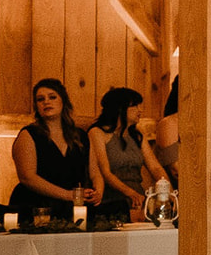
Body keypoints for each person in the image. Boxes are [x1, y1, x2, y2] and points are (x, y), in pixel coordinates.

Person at [9, 78, 96, 220]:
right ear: (36, 106)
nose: (46, 102)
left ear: (63, 101)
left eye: (52, 97)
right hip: (37, 205)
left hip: (73, 206)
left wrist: (97, 192)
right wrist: (68, 195)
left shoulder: (80, 135)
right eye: (40, 99)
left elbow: (95, 172)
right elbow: (27, 177)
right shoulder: (29, 134)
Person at [88, 87, 164, 221]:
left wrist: (166, 190)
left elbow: (155, 167)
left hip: (138, 197)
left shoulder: (137, 135)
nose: (139, 111)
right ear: (119, 108)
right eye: (134, 106)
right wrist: (130, 193)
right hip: (113, 197)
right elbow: (105, 171)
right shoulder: (97, 133)